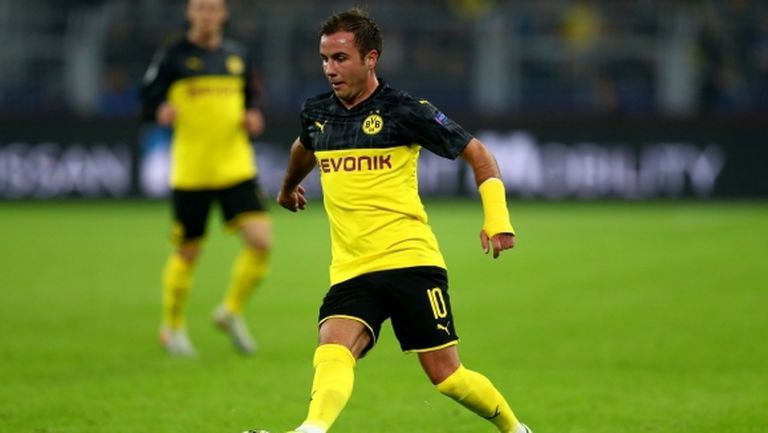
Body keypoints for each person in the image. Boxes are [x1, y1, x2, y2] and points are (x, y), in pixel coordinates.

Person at [247, 7, 530, 433]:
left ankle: (515, 429)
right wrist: (288, 187)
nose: (330, 69)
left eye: (340, 58)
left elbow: (478, 154)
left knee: (447, 377)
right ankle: (311, 429)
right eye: (324, 59)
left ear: (371, 58)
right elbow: (304, 147)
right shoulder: (317, 112)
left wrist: (498, 218)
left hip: (410, 260)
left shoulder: (404, 110)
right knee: (333, 347)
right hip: (352, 268)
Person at [140, 0, 270, 357]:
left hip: (235, 167)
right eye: (201, 8)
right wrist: (159, 109)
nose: (207, 15)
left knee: (261, 242)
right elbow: (147, 96)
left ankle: (231, 311)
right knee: (188, 252)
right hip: (192, 171)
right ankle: (172, 326)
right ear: (190, 13)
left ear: (224, 14)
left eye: (213, 9)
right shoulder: (173, 56)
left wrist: (253, 115)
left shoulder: (238, 56)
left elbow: (251, 99)